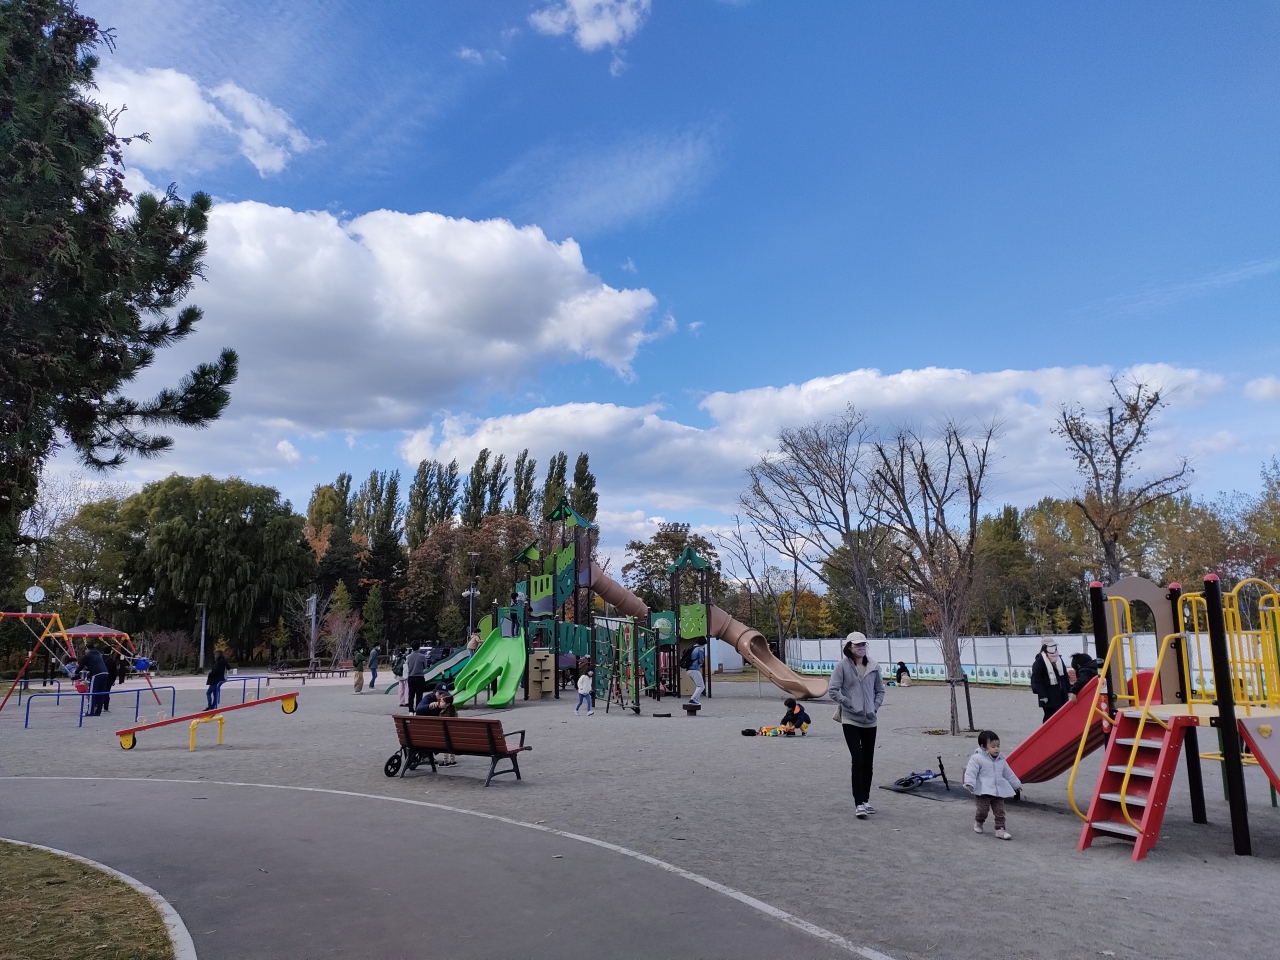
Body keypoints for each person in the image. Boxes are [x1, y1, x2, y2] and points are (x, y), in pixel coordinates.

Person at [828, 631, 886, 819]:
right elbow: (833, 690)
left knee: (868, 762)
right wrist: (849, 703)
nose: (860, 648)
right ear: (849, 647)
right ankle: (858, 803)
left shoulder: (874, 666)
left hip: (870, 720)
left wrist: (874, 707)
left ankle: (866, 800)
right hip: (850, 719)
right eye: (857, 645)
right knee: (858, 760)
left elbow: (880, 690)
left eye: (863, 644)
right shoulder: (842, 666)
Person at [964, 730, 1021, 840]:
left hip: (998, 790)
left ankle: (1000, 829)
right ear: (983, 747)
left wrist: (1016, 784)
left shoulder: (1001, 760)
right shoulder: (977, 759)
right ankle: (979, 821)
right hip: (983, 791)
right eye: (993, 746)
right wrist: (969, 783)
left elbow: (1008, 773)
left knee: (1000, 811)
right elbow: (971, 772)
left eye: (998, 746)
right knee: (982, 810)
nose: (997, 749)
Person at [1030, 641, 1071, 722]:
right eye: (1050, 646)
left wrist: (1069, 690)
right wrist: (1042, 695)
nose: (1053, 648)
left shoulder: (1059, 659)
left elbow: (1065, 677)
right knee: (1049, 717)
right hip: (1048, 696)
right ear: (1044, 647)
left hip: (1061, 694)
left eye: (1054, 646)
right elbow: (1037, 680)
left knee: (1061, 716)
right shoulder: (1039, 662)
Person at [78, 644, 110, 716]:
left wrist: (76, 672)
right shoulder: (98, 654)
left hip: (97, 674)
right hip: (105, 673)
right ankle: (98, 712)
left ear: (87, 649)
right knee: (101, 693)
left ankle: (90, 712)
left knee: (92, 693)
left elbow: (81, 666)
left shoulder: (87, 655)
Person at [406, 645, 428, 710]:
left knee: (411, 694)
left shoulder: (408, 657)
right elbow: (425, 666)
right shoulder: (422, 656)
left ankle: (410, 709)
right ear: (419, 648)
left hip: (411, 677)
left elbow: (406, 667)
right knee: (419, 695)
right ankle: (418, 709)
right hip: (419, 677)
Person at [686, 641, 706, 705]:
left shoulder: (692, 648)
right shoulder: (700, 649)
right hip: (694, 669)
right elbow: (701, 660)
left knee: (698, 685)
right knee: (701, 686)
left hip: (688, 670)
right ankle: (693, 699)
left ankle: (695, 700)